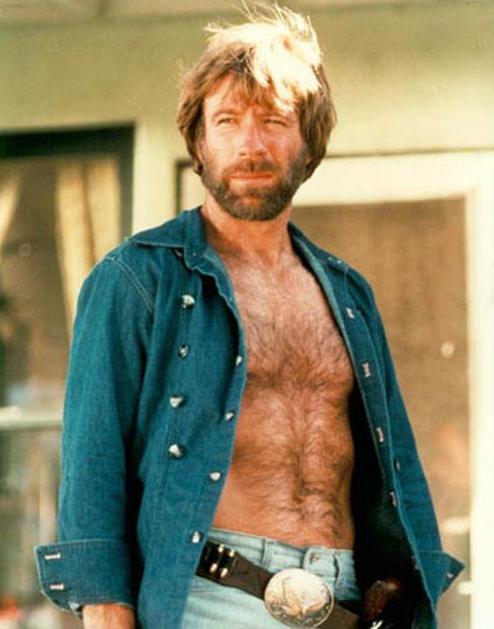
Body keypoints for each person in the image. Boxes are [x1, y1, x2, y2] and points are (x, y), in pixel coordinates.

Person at [35, 5, 463, 628]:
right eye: (228, 121)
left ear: (309, 143)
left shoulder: (348, 294)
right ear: (199, 142)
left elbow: (393, 464)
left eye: (274, 120)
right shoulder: (136, 279)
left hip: (344, 602)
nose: (251, 144)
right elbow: (92, 470)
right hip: (210, 598)